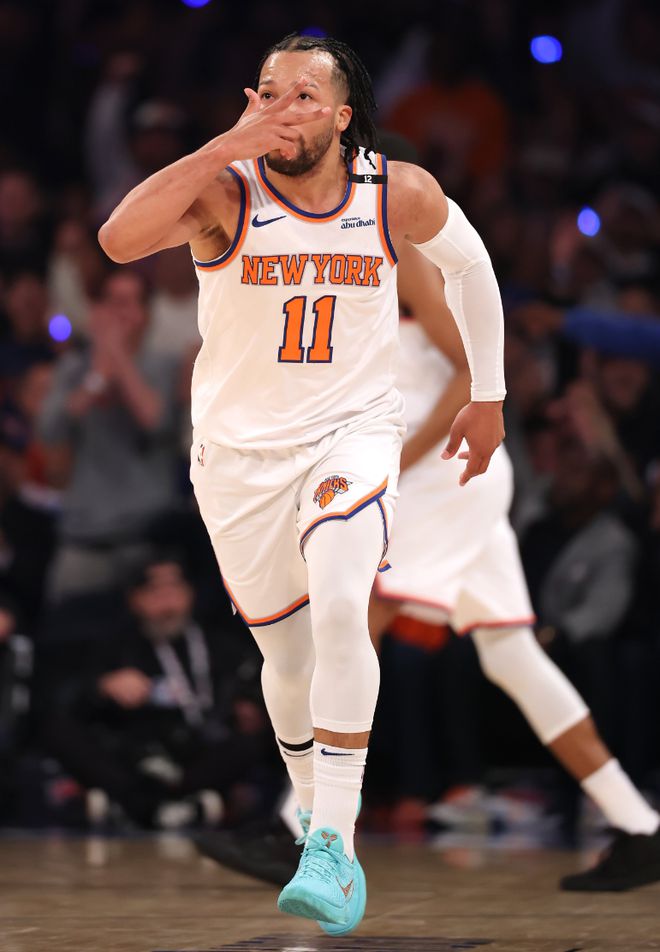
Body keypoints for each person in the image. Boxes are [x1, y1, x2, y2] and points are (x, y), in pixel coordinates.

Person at [99, 33, 506, 935]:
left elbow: (471, 266)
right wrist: (223, 143)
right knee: (285, 661)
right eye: (269, 92)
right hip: (239, 459)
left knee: (342, 605)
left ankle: (331, 839)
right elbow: (118, 239)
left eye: (304, 96)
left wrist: (489, 393)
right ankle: (317, 820)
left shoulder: (394, 192)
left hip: (351, 437)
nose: (284, 109)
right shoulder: (225, 190)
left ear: (343, 115)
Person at [195, 235, 660, 896]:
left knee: (353, 620)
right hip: (453, 476)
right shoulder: (315, 246)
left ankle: (299, 828)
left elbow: (473, 372)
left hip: (439, 472)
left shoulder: (396, 244)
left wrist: (395, 462)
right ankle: (638, 825)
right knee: (511, 655)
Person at [39, 269, 181, 601]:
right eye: (114, 302)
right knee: (66, 626)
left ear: (147, 313)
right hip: (84, 536)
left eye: (130, 303)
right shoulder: (74, 368)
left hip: (149, 540)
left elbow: (156, 420)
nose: (121, 314)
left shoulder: (166, 366)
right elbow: (49, 429)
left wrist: (116, 355)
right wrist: (96, 379)